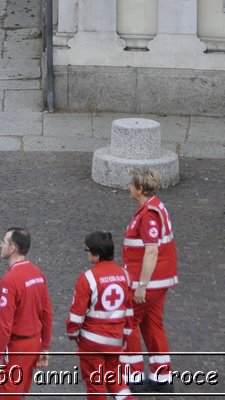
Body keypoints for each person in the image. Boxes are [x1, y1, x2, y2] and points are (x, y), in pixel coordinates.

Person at [121, 169, 178, 392]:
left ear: (141, 189)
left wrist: (142, 286)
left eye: (131, 184)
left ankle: (132, 376)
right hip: (159, 282)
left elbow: (151, 251)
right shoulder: (154, 207)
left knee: (129, 323)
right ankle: (162, 376)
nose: (129, 187)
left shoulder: (148, 215)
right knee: (153, 325)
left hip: (148, 283)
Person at [67, 231, 134, 400]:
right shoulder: (124, 275)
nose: (86, 253)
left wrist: (73, 333)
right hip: (115, 340)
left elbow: (76, 314)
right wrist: (124, 336)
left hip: (92, 342)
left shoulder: (87, 278)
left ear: (96, 255)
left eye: (87, 250)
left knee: (95, 384)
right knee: (115, 379)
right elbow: (129, 311)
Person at [0, 227, 53, 397]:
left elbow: (5, 325)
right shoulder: (37, 273)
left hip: (18, 347)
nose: (0, 245)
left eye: (4, 241)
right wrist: (44, 347)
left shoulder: (10, 280)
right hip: (33, 344)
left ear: (12, 249)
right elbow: (47, 314)